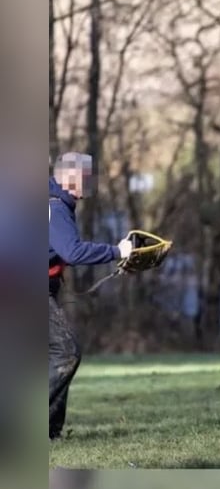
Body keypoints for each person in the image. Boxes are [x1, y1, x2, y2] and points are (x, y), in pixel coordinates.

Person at [49, 152, 132, 440]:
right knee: (66, 353)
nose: (90, 184)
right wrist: (117, 251)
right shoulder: (55, 206)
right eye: (86, 178)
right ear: (69, 178)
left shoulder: (54, 203)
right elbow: (72, 251)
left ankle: (49, 432)